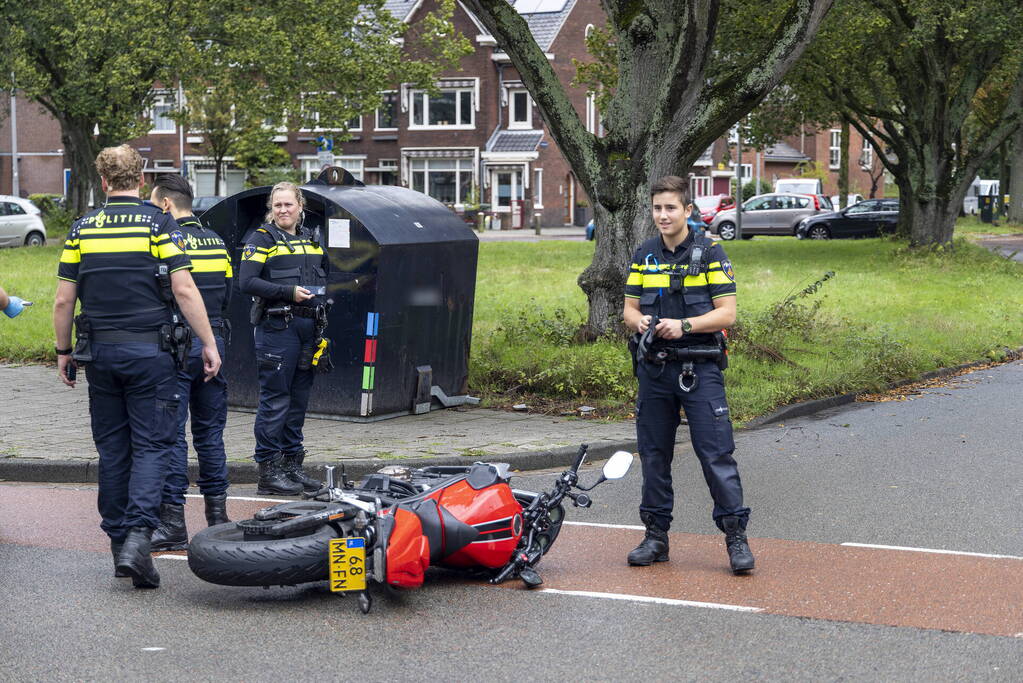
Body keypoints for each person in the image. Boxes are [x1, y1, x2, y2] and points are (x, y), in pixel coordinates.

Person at [53, 145, 222, 589]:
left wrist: (62, 351)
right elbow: (184, 290)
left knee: (113, 451)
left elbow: (63, 299)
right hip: (152, 356)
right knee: (152, 446)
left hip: (101, 356)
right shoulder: (158, 224)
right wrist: (208, 342)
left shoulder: (82, 229)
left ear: (103, 183)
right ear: (142, 181)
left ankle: (118, 545)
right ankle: (138, 541)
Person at [622, 175, 754, 574]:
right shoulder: (644, 253)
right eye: (657, 208)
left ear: (688, 211)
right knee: (653, 456)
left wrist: (686, 326)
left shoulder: (712, 252)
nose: (663, 215)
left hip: (700, 369)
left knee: (716, 455)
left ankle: (736, 539)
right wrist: (640, 321)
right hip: (655, 370)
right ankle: (655, 538)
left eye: (671, 208)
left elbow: (727, 313)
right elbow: (627, 310)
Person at [147, 174, 233, 552]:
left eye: (153, 204)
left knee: (172, 436)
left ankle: (173, 523)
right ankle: (218, 518)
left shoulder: (166, 240)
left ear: (166, 204)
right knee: (210, 434)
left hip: (178, 344)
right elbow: (228, 293)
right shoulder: (216, 241)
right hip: (215, 342)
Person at [238, 182, 327, 495]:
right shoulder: (261, 238)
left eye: (289, 204)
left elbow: (322, 276)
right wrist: (287, 292)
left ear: (300, 206)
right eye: (278, 205)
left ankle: (293, 467)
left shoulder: (311, 238)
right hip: (277, 328)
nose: (283, 210)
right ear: (271, 209)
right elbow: (246, 281)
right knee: (275, 401)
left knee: (298, 401)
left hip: (308, 329)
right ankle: (268, 471)